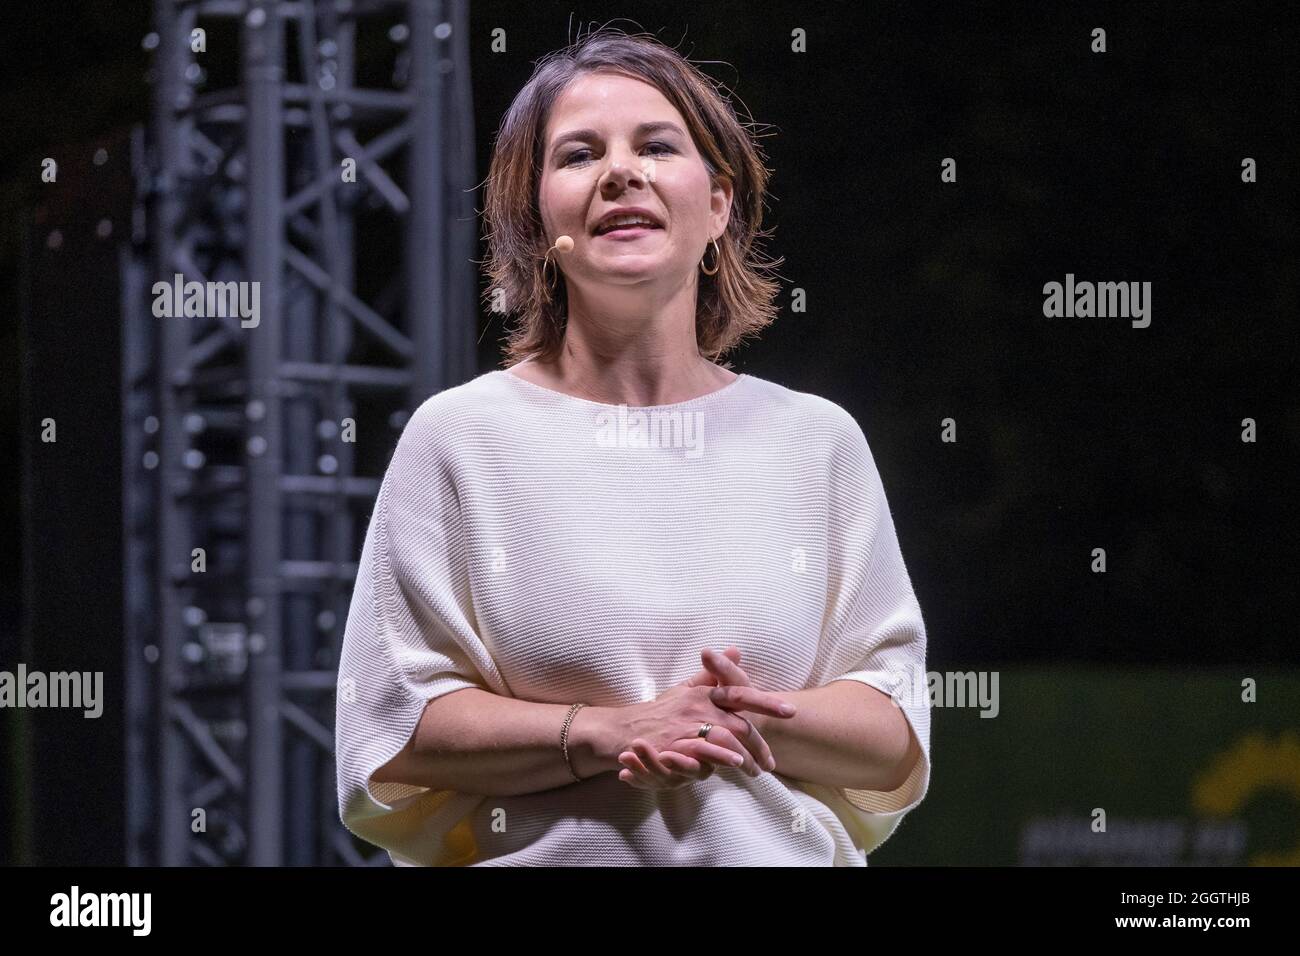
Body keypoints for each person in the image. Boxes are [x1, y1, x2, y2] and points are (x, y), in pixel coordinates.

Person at [334, 27, 930, 866]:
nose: (622, 171)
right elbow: (390, 732)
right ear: (538, 220)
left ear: (719, 205)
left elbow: (895, 736)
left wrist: (735, 717)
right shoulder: (459, 438)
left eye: (657, 145)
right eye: (579, 155)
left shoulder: (816, 442)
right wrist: (611, 732)